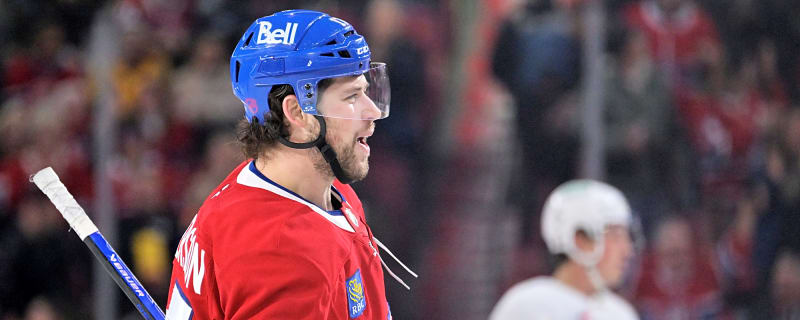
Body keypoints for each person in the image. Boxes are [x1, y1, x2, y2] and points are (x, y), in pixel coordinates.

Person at [164, 9, 414, 319]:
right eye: (352, 96)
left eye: (366, 91)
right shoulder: (285, 257)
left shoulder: (317, 188)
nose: (372, 111)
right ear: (296, 112)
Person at [489, 180, 639, 319]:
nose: (627, 250)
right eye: (615, 236)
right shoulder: (526, 307)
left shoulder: (620, 313)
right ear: (579, 240)